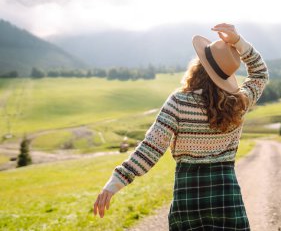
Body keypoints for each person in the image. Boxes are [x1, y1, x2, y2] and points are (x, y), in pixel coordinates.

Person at [93, 23, 269, 230]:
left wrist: (114, 183)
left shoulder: (178, 102)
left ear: (198, 68)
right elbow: (259, 74)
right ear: (225, 76)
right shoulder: (238, 103)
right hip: (226, 196)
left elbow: (151, 148)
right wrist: (239, 42)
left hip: (188, 198)